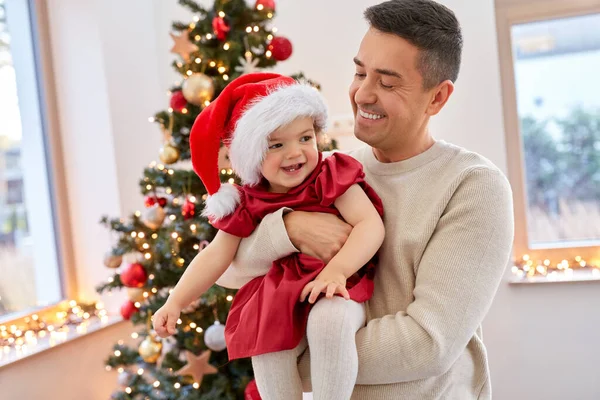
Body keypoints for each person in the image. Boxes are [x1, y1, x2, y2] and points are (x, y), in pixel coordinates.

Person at [217, 1, 515, 399]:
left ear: (437, 98)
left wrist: (283, 352)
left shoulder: (473, 187)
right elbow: (230, 274)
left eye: (387, 83)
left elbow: (428, 343)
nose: (362, 94)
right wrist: (290, 229)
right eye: (360, 72)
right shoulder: (328, 173)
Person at [152, 72, 385, 400]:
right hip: (280, 294)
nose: (295, 153)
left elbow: (370, 225)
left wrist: (338, 270)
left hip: (339, 284)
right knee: (267, 344)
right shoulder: (247, 200)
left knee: (329, 321)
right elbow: (216, 255)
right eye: (277, 145)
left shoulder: (330, 174)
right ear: (250, 155)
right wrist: (176, 300)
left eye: (305, 138)